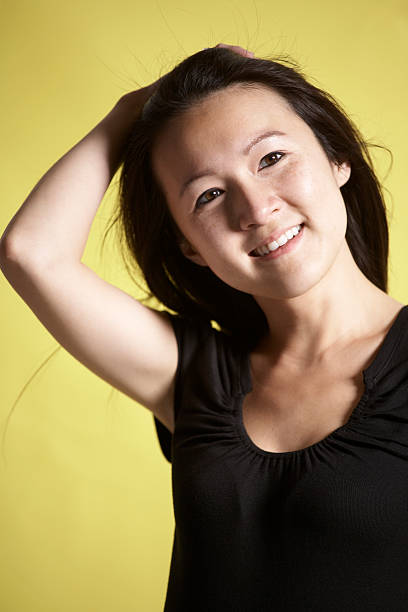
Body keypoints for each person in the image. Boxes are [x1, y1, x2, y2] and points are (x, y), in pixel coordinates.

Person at [1, 43, 408, 611]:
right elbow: (30, 254)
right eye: (209, 195)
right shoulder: (194, 376)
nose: (255, 207)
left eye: (271, 159)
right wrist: (132, 109)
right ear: (190, 247)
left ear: (338, 159)